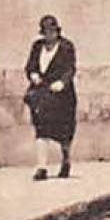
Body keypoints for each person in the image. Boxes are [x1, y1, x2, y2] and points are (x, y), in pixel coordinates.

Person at [24, 15, 77, 181]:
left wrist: (62, 82)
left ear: (57, 31)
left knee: (64, 131)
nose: (49, 35)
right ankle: (42, 167)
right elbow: (31, 65)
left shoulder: (66, 47)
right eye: (46, 32)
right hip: (42, 94)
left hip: (62, 96)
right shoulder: (37, 46)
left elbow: (70, 68)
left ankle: (66, 159)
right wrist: (33, 74)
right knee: (41, 129)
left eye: (52, 31)